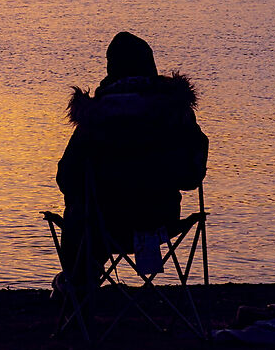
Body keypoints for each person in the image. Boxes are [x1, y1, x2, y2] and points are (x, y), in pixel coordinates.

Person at [55, 31, 208, 303]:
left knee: (80, 212)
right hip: (160, 221)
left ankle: (79, 281)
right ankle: (82, 277)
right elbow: (191, 176)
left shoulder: (93, 117)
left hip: (104, 227)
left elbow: (67, 178)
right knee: (86, 212)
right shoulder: (175, 113)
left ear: (110, 70)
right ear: (151, 67)